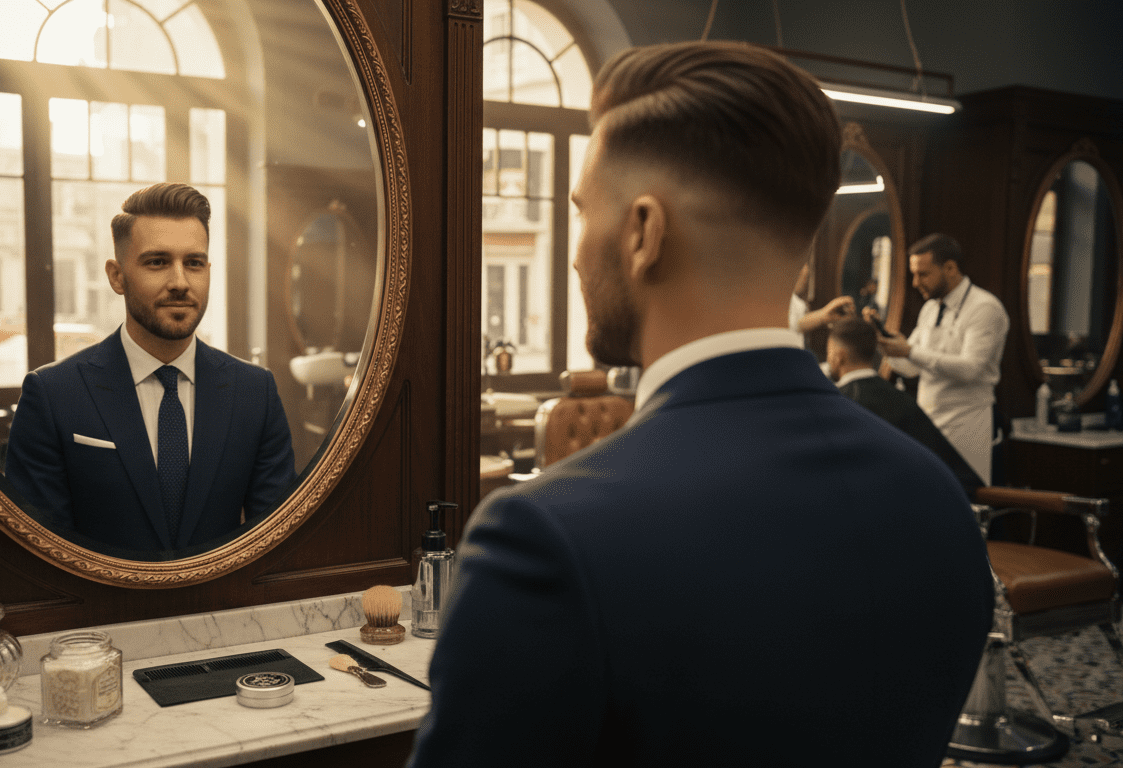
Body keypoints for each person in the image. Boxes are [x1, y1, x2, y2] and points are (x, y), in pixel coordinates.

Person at [407, 42, 991, 768]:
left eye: (584, 213)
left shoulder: (548, 539)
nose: (578, 252)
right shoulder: (936, 501)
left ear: (644, 233)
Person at [6, 183, 296, 554]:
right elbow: (40, 551)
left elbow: (276, 541)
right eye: (157, 262)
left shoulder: (255, 392)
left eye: (193, 263)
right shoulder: (52, 394)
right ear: (116, 276)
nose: (179, 282)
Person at [870, 233, 1009, 485]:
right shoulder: (930, 308)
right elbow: (912, 368)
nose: (915, 282)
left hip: (966, 425)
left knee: (963, 499)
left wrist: (910, 351)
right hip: (928, 422)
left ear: (950, 268)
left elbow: (971, 369)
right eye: (914, 274)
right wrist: (886, 347)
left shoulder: (984, 308)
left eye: (923, 274)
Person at [827, 318, 985, 499]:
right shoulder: (902, 401)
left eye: (828, 353)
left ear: (838, 356)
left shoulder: (834, 405)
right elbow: (955, 474)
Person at [788, 261, 855, 340]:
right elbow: (791, 325)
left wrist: (824, 316)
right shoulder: (779, 301)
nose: (806, 271)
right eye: (801, 267)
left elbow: (797, 323)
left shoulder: (796, 302)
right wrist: (823, 315)